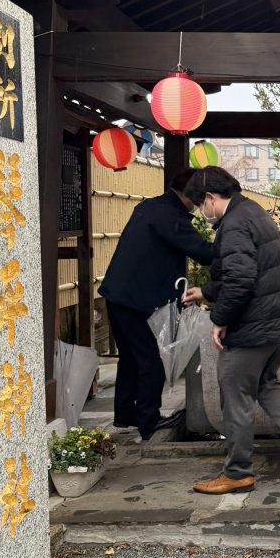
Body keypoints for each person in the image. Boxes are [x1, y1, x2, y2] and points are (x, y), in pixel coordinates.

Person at [183, 167, 280, 495]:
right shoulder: (254, 212)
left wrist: (219, 319)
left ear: (211, 197)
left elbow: (240, 280)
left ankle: (237, 472)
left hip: (252, 327)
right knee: (267, 383)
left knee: (235, 394)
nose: (202, 211)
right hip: (277, 322)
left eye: (201, 205)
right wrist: (206, 292)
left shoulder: (234, 224)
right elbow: (251, 272)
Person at [100, 169, 214, 442]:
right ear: (192, 195)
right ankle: (148, 421)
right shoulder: (170, 215)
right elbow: (203, 252)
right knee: (152, 360)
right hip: (137, 300)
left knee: (130, 358)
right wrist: (234, 243)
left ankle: (126, 413)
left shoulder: (150, 206)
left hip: (119, 295)